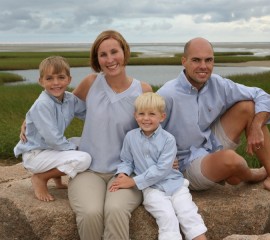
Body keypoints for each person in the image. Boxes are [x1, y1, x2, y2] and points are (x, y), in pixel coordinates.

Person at [157, 37, 270, 207]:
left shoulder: (217, 84)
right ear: (184, 62)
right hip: (184, 165)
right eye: (196, 60)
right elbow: (144, 134)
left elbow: (262, 95)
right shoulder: (167, 94)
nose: (203, 66)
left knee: (248, 107)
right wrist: (162, 163)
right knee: (232, 160)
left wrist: (256, 126)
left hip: (209, 144)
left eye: (208, 60)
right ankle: (251, 174)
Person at [67, 30, 153, 240]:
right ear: (97, 59)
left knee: (115, 211)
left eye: (114, 51)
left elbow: (155, 131)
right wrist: (30, 122)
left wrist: (169, 158)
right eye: (103, 55)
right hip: (88, 170)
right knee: (90, 213)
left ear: (124, 52)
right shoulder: (90, 83)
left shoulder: (143, 90)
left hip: (126, 171)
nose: (110, 59)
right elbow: (60, 109)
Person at [109, 92, 207, 240]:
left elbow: (162, 168)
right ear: (135, 116)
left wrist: (133, 181)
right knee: (166, 215)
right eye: (141, 114)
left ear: (162, 117)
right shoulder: (131, 137)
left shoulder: (168, 140)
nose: (146, 118)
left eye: (152, 114)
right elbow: (127, 161)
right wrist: (123, 173)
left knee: (187, 212)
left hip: (175, 184)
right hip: (151, 189)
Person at [14, 56, 92, 202]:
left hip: (50, 150)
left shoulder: (69, 99)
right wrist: (75, 148)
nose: (56, 83)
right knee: (84, 158)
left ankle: (56, 176)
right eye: (49, 78)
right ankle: (40, 178)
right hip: (36, 155)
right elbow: (54, 140)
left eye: (61, 77)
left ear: (69, 79)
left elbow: (89, 115)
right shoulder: (43, 104)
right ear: (41, 81)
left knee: (89, 144)